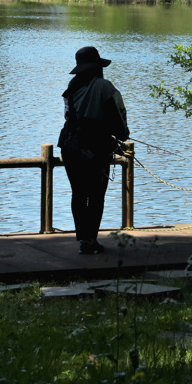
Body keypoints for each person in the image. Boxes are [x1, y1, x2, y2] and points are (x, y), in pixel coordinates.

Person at [58, 46, 130, 255]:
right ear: (98, 67)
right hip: (94, 148)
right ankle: (90, 240)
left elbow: (68, 117)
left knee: (78, 193)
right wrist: (122, 135)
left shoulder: (71, 88)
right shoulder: (104, 87)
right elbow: (118, 116)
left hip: (70, 147)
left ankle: (84, 240)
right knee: (96, 195)